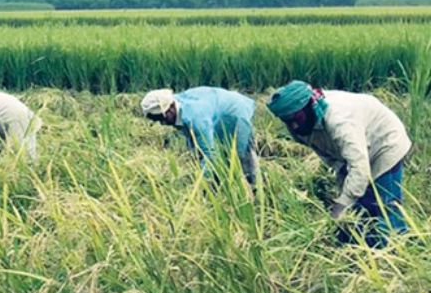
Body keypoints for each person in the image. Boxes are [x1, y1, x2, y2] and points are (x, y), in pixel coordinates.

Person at [268, 80, 411, 246]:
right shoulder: (298, 127)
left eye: (296, 118)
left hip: (385, 142)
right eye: (286, 120)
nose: (293, 124)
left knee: (386, 205)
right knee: (361, 206)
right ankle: (365, 245)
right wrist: (342, 177)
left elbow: (359, 167)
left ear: (308, 107)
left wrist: (341, 205)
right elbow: (325, 152)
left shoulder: (340, 121)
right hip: (357, 148)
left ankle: (396, 247)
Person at [140, 87, 259, 187]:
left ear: (170, 109)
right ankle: (219, 183)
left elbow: (210, 155)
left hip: (235, 112)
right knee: (208, 153)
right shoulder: (175, 105)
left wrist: (199, 184)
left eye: (162, 119)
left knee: (239, 155)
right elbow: (193, 138)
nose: (162, 123)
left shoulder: (196, 118)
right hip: (215, 109)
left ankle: (253, 190)